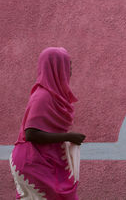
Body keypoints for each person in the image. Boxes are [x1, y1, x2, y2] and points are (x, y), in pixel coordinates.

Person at [9, 47, 86, 200]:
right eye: (66, 66)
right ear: (55, 69)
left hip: (47, 161)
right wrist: (68, 136)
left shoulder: (54, 96)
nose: (69, 71)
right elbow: (30, 133)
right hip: (34, 162)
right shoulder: (43, 96)